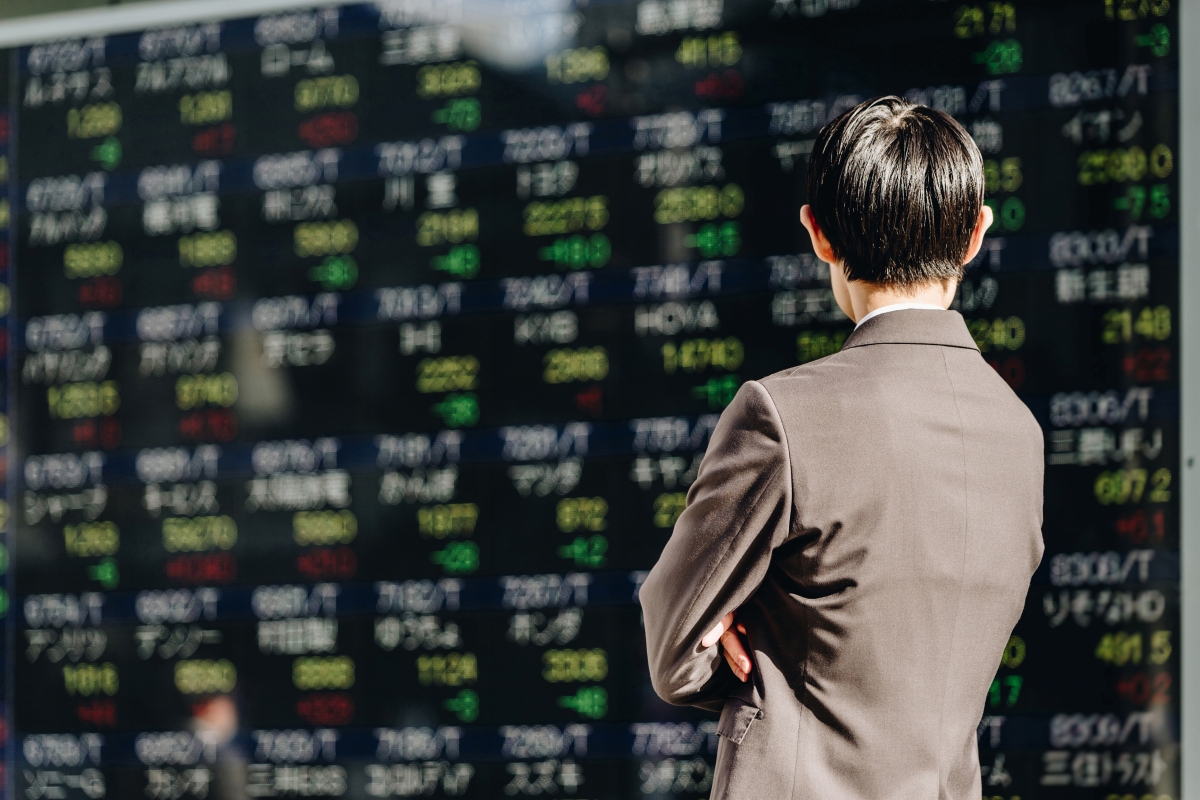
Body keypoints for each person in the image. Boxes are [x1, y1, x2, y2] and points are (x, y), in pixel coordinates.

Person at [639, 96, 1044, 800]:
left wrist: (759, 642)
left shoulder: (781, 416)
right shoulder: (1020, 433)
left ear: (819, 233)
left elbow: (674, 650)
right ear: (976, 235)